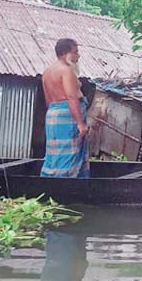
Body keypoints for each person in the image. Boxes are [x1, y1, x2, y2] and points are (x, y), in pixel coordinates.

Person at [40, 38, 90, 178]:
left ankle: (47, 187)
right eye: (75, 52)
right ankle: (64, 191)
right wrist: (80, 123)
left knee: (54, 155)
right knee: (69, 155)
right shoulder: (66, 71)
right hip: (68, 116)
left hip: (53, 114)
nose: (78, 55)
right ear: (63, 53)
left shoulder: (47, 72)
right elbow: (71, 97)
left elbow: (48, 100)